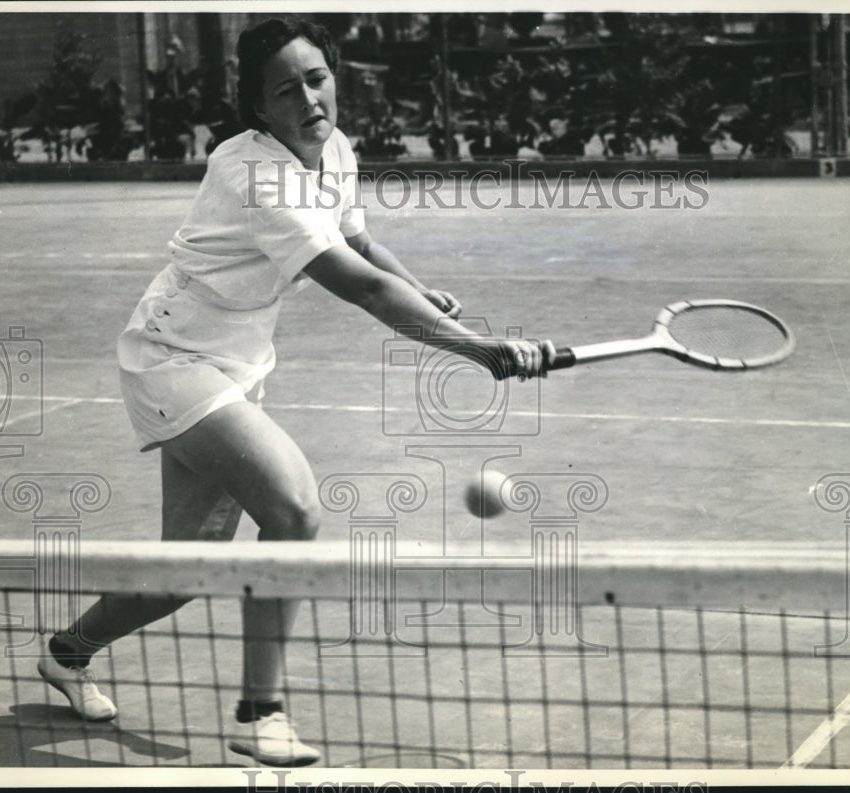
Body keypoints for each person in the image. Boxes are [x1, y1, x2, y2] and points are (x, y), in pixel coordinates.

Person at [36, 17, 554, 767]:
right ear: (259, 108)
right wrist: (477, 349)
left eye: (317, 78)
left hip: (235, 368)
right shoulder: (254, 173)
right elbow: (357, 283)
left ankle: (66, 652)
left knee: (185, 572)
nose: (309, 97)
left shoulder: (334, 150)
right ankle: (259, 712)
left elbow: (363, 244)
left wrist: (425, 295)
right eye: (287, 89)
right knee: (295, 506)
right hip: (173, 362)